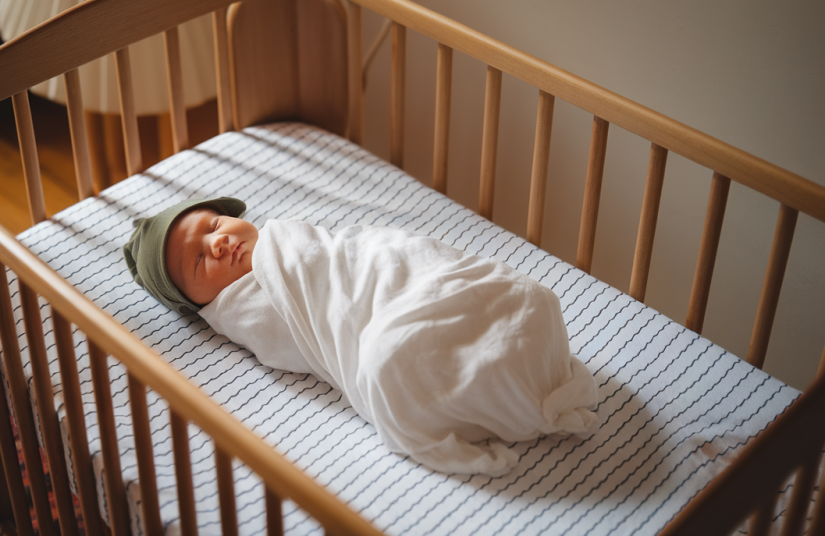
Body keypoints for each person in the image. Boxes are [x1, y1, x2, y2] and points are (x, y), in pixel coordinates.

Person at [124, 197, 599, 475]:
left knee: (504, 295)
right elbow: (321, 329)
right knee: (390, 358)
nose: (219, 241)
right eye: (198, 260)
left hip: (397, 273)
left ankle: (505, 326)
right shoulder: (233, 310)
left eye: (214, 224)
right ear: (199, 305)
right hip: (387, 314)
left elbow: (371, 259)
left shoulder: (287, 240)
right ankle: (505, 379)